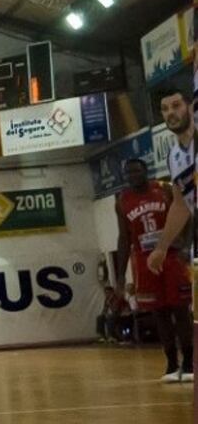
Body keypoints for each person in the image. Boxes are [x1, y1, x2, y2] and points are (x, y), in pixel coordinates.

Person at [115, 158, 193, 381]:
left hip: (171, 255)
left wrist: (186, 246)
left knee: (181, 309)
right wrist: (120, 275)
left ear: (145, 171)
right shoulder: (122, 201)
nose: (133, 175)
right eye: (128, 172)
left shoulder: (165, 189)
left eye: (136, 171)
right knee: (159, 312)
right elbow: (124, 238)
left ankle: (189, 362)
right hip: (144, 259)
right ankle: (171, 362)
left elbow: (188, 216)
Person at [147, 88, 195, 275]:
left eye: (176, 106)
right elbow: (180, 205)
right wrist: (161, 247)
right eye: (165, 109)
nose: (171, 113)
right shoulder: (173, 156)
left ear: (190, 107)